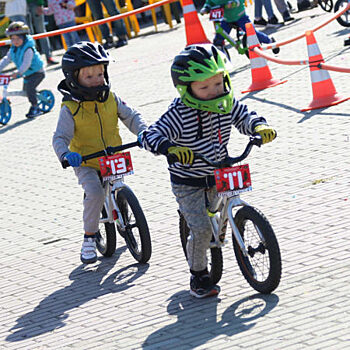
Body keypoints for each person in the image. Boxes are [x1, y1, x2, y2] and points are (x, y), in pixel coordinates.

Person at [139, 44, 277, 298]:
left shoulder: (226, 103)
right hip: (188, 180)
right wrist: (168, 147)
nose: (214, 91)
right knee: (202, 229)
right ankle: (198, 275)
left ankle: (223, 227)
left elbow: (244, 115)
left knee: (217, 216)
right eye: (204, 87)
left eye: (218, 83)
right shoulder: (179, 114)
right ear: (186, 89)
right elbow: (151, 135)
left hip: (219, 172)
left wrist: (259, 127)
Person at [52, 41, 147, 264]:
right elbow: (60, 138)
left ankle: (120, 211)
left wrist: (144, 132)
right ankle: (89, 238)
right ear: (74, 79)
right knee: (95, 193)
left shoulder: (110, 98)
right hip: (85, 160)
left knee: (116, 186)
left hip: (112, 156)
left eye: (100, 74)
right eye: (90, 76)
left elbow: (131, 116)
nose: (97, 80)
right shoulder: (70, 108)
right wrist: (66, 155)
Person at [0, 21, 45, 117]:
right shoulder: (13, 48)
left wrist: (18, 72)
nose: (15, 41)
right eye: (12, 39)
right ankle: (36, 96)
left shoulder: (28, 49)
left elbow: (26, 63)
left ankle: (35, 107)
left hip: (37, 72)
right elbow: (7, 59)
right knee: (26, 92)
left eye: (18, 38)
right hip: (27, 73)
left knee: (29, 90)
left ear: (24, 37)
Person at [200, 0, 280, 54]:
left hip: (240, 16)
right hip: (226, 19)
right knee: (219, 37)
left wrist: (235, 2)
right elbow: (209, 2)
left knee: (252, 32)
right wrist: (205, 8)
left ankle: (269, 41)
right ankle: (220, 56)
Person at [26, 0, 59, 66]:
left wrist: (40, 4)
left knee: (41, 32)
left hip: (35, 4)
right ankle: (33, 60)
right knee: (28, 34)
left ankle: (48, 57)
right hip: (22, 6)